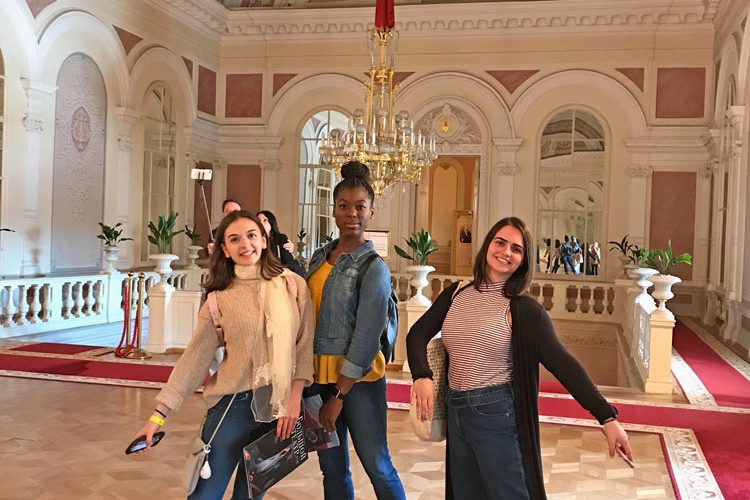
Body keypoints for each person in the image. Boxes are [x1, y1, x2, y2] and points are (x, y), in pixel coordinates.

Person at [407, 216, 632, 500]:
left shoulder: (524, 310)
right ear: (488, 245)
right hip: (456, 409)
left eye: (516, 249)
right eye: (500, 242)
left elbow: (564, 365)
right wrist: (421, 376)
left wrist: (607, 417)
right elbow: (416, 334)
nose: (506, 252)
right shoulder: (457, 293)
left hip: (495, 413)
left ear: (524, 260)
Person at [131, 210, 314, 500]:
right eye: (235, 239)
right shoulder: (219, 299)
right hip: (232, 406)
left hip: (279, 409)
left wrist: (294, 399)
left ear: (264, 240)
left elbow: (303, 348)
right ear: (225, 250)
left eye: (251, 235)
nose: (245, 244)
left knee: (249, 496)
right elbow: (194, 360)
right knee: (204, 494)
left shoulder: (293, 286)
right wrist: (158, 417)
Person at [303, 161, 405, 500]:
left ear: (371, 212)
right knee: (332, 468)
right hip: (317, 378)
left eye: (360, 207)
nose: (352, 214)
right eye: (344, 206)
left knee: (377, 464)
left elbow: (366, 336)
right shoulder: (318, 258)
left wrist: (339, 395)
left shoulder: (374, 268)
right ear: (333, 210)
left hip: (358, 383)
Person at [257, 210, 306, 277]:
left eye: (265, 220)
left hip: (278, 276)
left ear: (271, 223)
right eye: (258, 221)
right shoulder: (253, 240)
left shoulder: (280, 238)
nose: (261, 223)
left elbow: (289, 263)